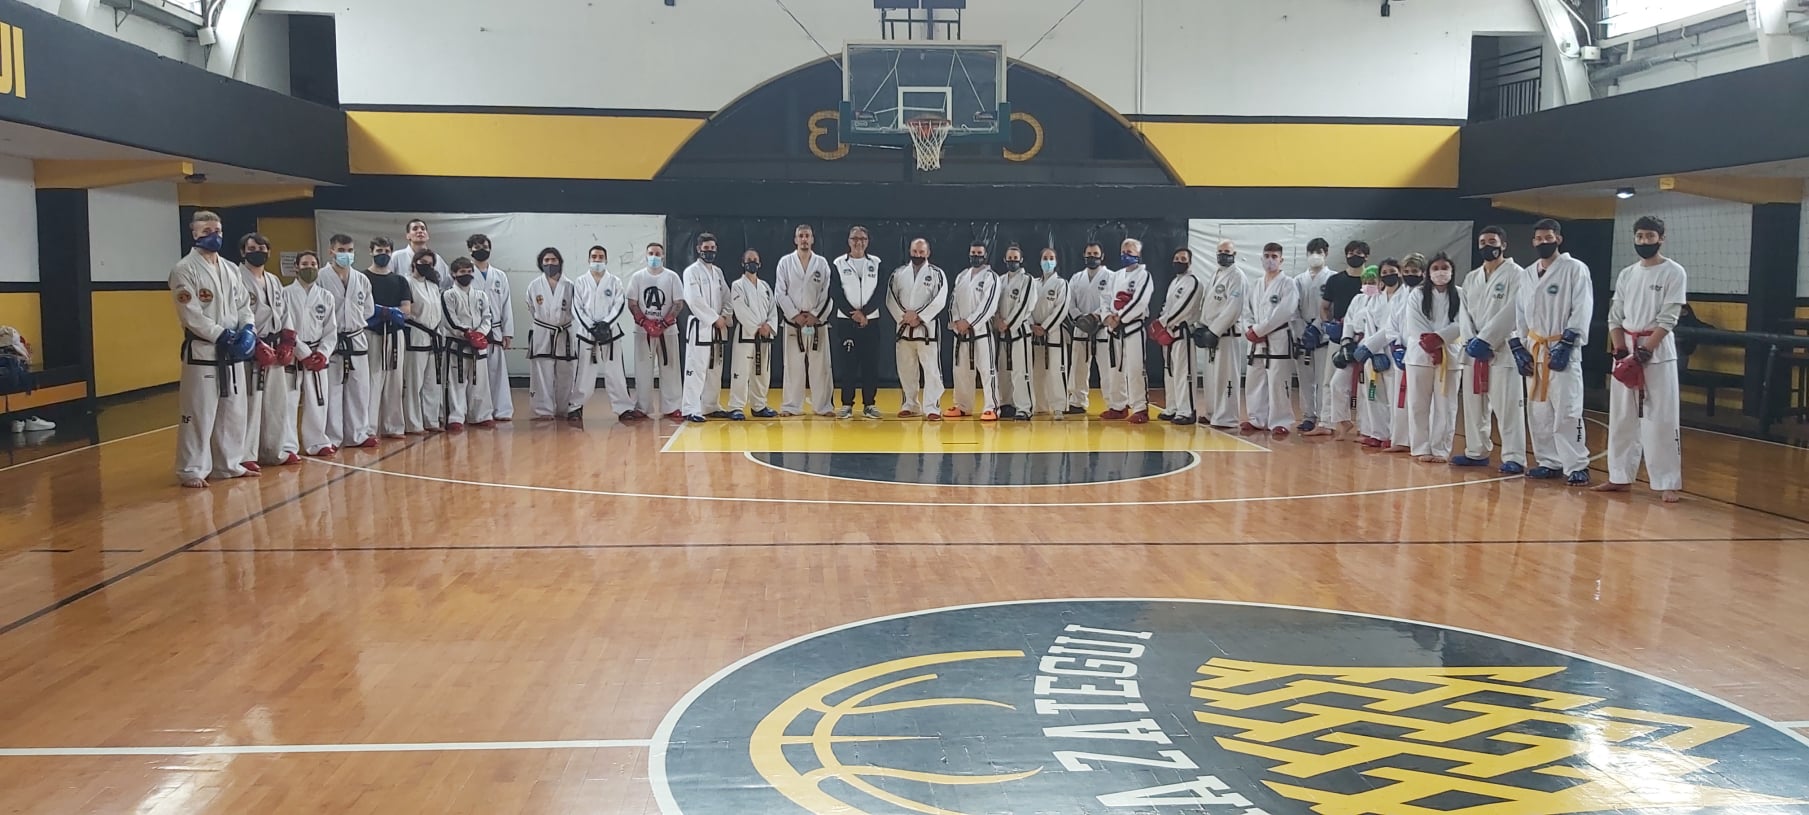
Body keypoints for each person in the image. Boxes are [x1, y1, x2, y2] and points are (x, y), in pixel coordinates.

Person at [1595, 215, 1686, 503]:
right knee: (1622, 416)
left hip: (1656, 353)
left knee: (1661, 417)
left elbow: (1669, 317)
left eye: (1649, 236)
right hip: (1626, 349)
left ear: (1661, 238)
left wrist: (1645, 351)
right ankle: (1619, 476)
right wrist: (1621, 350)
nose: (1644, 241)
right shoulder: (1627, 274)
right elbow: (1615, 316)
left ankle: (1667, 481)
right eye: (1640, 236)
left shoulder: (1674, 272)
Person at [168, 210, 256, 488]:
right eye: (206, 231)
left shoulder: (230, 268)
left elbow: (244, 305)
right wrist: (221, 335)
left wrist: (248, 329)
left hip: (233, 352)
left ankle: (228, 464)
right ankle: (191, 469)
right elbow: (190, 314)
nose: (213, 236)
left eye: (217, 230)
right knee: (199, 414)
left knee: (234, 412)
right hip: (204, 351)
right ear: (194, 233)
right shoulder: (184, 269)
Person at [1512, 218, 1594, 485]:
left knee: (1567, 409)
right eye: (1539, 239)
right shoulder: (1527, 274)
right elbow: (1520, 312)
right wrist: (1519, 345)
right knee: (1539, 410)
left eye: (1548, 238)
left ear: (1558, 239)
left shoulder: (1574, 268)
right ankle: (1549, 461)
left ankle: (1577, 464)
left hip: (1562, 347)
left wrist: (1569, 342)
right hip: (1535, 347)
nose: (1543, 242)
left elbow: (1582, 306)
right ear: (1533, 242)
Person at [1454, 226, 1527, 472]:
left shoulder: (1517, 274)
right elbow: (1464, 312)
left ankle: (1514, 457)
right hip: (1474, 351)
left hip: (1501, 349)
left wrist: (1487, 339)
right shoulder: (1471, 277)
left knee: (1507, 407)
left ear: (1503, 245)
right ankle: (1476, 451)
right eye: (1483, 242)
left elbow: (1514, 310)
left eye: (1492, 241)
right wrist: (1471, 340)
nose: (1487, 245)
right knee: (1473, 405)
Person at [236, 232, 298, 468]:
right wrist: (254, 344)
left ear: (269, 252)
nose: (258, 252)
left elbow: (285, 313)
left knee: (276, 404)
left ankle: (274, 451)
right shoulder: (236, 278)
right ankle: (246, 455)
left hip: (275, 347)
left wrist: (288, 340)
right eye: (252, 248)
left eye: (262, 248)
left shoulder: (273, 280)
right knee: (250, 405)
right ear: (243, 252)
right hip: (250, 347)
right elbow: (235, 315)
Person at [319, 234, 382, 450]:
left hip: (356, 337)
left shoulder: (361, 279)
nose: (346, 254)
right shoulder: (321, 277)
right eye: (341, 250)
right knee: (333, 390)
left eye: (349, 250)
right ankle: (333, 437)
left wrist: (354, 322)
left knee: (359, 389)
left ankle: (358, 434)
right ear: (331, 251)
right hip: (332, 339)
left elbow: (368, 309)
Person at [1307, 240, 1370, 437]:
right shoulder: (1335, 280)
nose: (1354, 256)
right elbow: (1325, 307)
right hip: (1339, 335)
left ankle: (1365, 427)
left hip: (1364, 336)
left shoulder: (1371, 281)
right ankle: (1327, 422)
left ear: (1366, 256)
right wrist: (1328, 325)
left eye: (1358, 253)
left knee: (1365, 383)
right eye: (1350, 252)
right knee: (1330, 380)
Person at [1404, 253, 1464, 463]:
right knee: (1418, 404)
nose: (1440, 272)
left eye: (1444, 268)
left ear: (1452, 271)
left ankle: (1441, 449)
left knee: (1446, 405)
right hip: (1419, 355)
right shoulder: (1418, 294)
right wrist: (1430, 344)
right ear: (1428, 273)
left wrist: (1440, 339)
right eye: (1435, 268)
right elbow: (1414, 323)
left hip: (1450, 355)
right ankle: (1420, 447)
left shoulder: (1461, 294)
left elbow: (1462, 323)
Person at [571, 245, 637, 422]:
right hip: (587, 333)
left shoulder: (615, 281)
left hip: (610, 332)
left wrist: (606, 324)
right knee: (583, 372)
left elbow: (619, 305)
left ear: (606, 260)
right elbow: (576, 308)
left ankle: (624, 407)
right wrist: (591, 327)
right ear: (588, 259)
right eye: (594, 257)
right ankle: (575, 406)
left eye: (601, 257)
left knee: (616, 372)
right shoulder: (580, 282)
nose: (597, 260)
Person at [775, 224, 835, 416]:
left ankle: (823, 406)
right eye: (800, 236)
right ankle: (791, 406)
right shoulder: (785, 262)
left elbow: (827, 292)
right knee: (793, 366)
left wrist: (815, 315)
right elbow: (780, 293)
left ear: (812, 239)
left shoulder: (821, 263)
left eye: (807, 236)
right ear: (795, 239)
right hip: (793, 322)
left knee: (821, 367)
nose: (804, 239)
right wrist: (795, 315)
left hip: (817, 322)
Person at [1242, 242, 1299, 435]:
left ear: (1281, 260)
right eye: (1267, 256)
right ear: (1261, 259)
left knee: (1278, 382)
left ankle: (1281, 421)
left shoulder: (1288, 283)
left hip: (1277, 338)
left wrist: (1259, 330)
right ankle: (1257, 419)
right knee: (1255, 380)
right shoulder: (1256, 284)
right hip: (1256, 342)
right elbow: (1246, 310)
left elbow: (1284, 312)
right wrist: (1249, 328)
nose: (1270, 260)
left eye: (1274, 256)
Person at [830, 226, 887, 419]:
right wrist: (853, 314)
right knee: (848, 365)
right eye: (854, 238)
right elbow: (835, 292)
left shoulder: (876, 263)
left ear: (867, 241)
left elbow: (881, 291)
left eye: (862, 238)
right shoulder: (839, 263)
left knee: (870, 364)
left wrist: (865, 313)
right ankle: (846, 404)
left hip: (871, 321)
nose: (858, 242)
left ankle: (869, 404)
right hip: (847, 322)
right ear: (848, 241)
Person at [285, 251, 338, 457]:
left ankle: (317, 441)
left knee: (318, 400)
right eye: (305, 264)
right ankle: (288, 446)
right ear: (296, 267)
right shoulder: (285, 294)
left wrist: (323, 353)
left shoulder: (326, 296)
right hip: (293, 353)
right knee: (289, 402)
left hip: (317, 353)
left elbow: (331, 330)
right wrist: (302, 353)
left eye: (313, 264)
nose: (310, 268)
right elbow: (285, 326)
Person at [888, 238, 947, 420]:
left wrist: (919, 316)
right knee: (906, 369)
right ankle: (910, 404)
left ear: (928, 253)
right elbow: (890, 298)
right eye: (915, 251)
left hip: (926, 330)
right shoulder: (898, 274)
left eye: (921, 252)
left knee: (931, 370)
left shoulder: (937, 274)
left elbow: (939, 299)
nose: (918, 255)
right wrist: (905, 316)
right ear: (910, 251)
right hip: (904, 328)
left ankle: (932, 407)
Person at [628, 242, 684, 420]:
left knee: (670, 369)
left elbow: (678, 303)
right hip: (643, 331)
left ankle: (672, 406)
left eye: (657, 254)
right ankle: (642, 407)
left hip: (668, 331)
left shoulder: (672, 277)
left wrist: (664, 323)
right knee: (642, 370)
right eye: (651, 253)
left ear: (663, 256)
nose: (654, 257)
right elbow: (632, 303)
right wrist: (645, 322)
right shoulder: (637, 277)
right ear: (646, 256)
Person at [1197, 240, 1247, 429]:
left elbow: (1233, 308)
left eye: (1227, 252)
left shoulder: (1237, 276)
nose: (1223, 255)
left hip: (1226, 334)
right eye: (1220, 251)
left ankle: (1227, 417)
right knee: (1211, 377)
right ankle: (1212, 412)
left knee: (1226, 376)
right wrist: (1202, 326)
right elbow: (1208, 304)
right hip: (1211, 332)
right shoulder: (1216, 273)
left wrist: (1215, 330)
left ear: (1234, 254)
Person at [949, 241, 1002, 420]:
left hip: (981, 331)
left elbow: (989, 306)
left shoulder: (991, 277)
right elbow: (953, 301)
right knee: (961, 371)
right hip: (961, 332)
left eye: (979, 254)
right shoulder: (962, 276)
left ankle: (992, 407)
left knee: (987, 370)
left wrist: (970, 322)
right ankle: (962, 406)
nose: (976, 256)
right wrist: (957, 321)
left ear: (985, 256)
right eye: (973, 253)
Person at [525, 247, 580, 420]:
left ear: (560, 262)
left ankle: (565, 408)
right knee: (542, 372)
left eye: (553, 260)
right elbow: (531, 307)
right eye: (546, 260)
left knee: (566, 372)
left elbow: (575, 310)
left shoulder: (570, 285)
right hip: (542, 331)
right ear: (541, 264)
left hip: (564, 332)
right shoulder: (534, 286)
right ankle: (543, 410)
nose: (550, 263)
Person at [1102, 238, 1153, 423]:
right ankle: (1118, 406)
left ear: (1138, 255)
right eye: (1123, 252)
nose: (1125, 255)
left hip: (1133, 327)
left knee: (1135, 369)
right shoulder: (1116, 276)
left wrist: (1120, 317)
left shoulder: (1144, 275)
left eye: (1130, 252)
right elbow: (1105, 298)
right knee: (1114, 370)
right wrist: (1107, 316)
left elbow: (1140, 301)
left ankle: (1140, 408)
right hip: (1114, 329)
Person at [364, 236, 410, 439]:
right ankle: (369, 428)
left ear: (391, 253)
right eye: (379, 251)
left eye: (386, 251)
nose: (383, 254)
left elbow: (406, 309)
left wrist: (391, 312)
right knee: (372, 380)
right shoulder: (362, 278)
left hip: (394, 334)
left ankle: (393, 426)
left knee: (395, 380)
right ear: (371, 252)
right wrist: (378, 312)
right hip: (371, 333)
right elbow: (360, 306)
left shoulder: (400, 280)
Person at [681, 233, 731, 422]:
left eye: (712, 248)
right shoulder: (691, 271)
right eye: (706, 248)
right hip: (701, 326)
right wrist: (714, 318)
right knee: (696, 368)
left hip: (718, 327)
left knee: (715, 368)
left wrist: (725, 315)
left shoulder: (717, 272)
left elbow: (726, 296)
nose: (709, 251)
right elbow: (694, 300)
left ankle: (710, 405)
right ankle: (691, 408)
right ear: (698, 249)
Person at [1356, 260, 1405, 449]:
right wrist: (1372, 350)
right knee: (1374, 394)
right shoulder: (1376, 298)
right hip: (1374, 353)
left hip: (1393, 351)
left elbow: (1392, 328)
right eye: (1384, 272)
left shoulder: (1405, 296)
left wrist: (1371, 345)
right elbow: (1369, 325)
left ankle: (1394, 435)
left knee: (1394, 396)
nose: (1388, 275)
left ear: (1399, 273)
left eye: (1392, 271)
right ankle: (1377, 433)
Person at [441, 256, 494, 431]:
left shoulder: (481, 295)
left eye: (469, 271)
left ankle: (481, 415)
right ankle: (455, 416)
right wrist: (467, 333)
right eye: (462, 271)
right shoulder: (448, 295)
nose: (467, 274)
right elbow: (450, 320)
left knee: (480, 382)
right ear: (453, 274)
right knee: (456, 381)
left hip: (478, 343)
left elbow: (487, 318)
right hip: (458, 343)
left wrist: (480, 334)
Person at [728, 248, 780, 420]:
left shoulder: (765, 287)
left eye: (755, 260)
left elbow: (773, 309)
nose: (752, 263)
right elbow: (740, 309)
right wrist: (757, 327)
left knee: (762, 372)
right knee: (741, 372)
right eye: (749, 260)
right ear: (743, 263)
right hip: (746, 334)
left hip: (764, 336)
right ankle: (736, 406)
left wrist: (769, 326)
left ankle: (759, 405)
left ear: (760, 263)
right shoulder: (737, 285)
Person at [467, 233, 514, 421]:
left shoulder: (499, 275)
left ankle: (502, 410)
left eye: (485, 247)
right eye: (477, 247)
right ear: (470, 250)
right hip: (473, 330)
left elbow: (506, 304)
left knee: (497, 372)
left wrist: (508, 332)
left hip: (495, 329)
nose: (481, 250)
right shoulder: (466, 273)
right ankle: (478, 412)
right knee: (477, 373)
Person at [1331, 266, 1379, 443]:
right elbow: (1349, 322)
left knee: (1366, 389)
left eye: (1372, 281)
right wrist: (1346, 343)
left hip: (1372, 346)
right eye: (1366, 281)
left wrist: (1367, 347)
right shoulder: (1358, 299)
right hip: (1353, 344)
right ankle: (1343, 422)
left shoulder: (1382, 300)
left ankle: (1365, 429)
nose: (1369, 284)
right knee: (1336, 383)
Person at [1155, 247, 1203, 425]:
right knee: (1170, 371)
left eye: (1183, 259)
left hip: (1182, 331)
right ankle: (1172, 407)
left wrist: (1163, 322)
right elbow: (1167, 306)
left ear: (1190, 262)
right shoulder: (1174, 282)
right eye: (1176, 258)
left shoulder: (1193, 282)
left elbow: (1184, 307)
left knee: (1184, 373)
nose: (1179, 262)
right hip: (1169, 332)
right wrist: (1162, 322)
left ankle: (1187, 411)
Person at [1293, 238, 1336, 432]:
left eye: (1319, 252)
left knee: (1323, 380)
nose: (1315, 256)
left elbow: (1331, 307)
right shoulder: (1298, 280)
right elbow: (1293, 309)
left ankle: (1323, 417)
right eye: (1311, 252)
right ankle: (1308, 415)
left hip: (1324, 335)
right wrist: (1302, 332)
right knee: (1305, 380)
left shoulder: (1332, 278)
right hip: (1303, 335)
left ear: (1326, 253)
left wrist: (1317, 327)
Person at [1065, 243, 1113, 414]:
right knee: (1078, 366)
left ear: (1102, 256)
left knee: (1107, 369)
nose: (1092, 257)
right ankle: (1077, 401)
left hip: (1103, 327)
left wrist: (1096, 316)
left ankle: (1113, 403)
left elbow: (1112, 301)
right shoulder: (1077, 278)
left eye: (1095, 254)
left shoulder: (1111, 277)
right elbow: (1069, 301)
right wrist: (1080, 318)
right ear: (1084, 256)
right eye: (1089, 254)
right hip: (1081, 327)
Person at [402, 249, 446, 434]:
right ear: (414, 263)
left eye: (430, 263)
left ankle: (431, 420)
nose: (426, 266)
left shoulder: (433, 286)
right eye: (423, 262)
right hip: (416, 334)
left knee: (432, 382)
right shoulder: (406, 282)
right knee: (414, 383)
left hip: (434, 336)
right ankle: (413, 423)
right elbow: (406, 311)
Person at [992, 244, 1035, 420]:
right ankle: (1006, 403)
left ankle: (1024, 408)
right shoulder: (1000, 280)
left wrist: (1008, 323)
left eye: (1015, 259)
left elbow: (1024, 305)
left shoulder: (1027, 280)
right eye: (1009, 259)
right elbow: (994, 304)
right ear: (1004, 260)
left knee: (1020, 371)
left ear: (1021, 260)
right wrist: (997, 320)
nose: (1012, 261)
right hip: (1002, 333)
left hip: (1019, 332)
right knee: (1003, 371)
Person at [1028, 248, 1069, 421]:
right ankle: (1040, 405)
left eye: (1051, 258)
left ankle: (1059, 407)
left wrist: (1045, 327)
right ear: (1040, 261)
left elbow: (1062, 308)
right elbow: (1027, 305)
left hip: (1054, 333)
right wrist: (1032, 325)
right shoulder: (1033, 283)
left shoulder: (1061, 283)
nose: (1048, 261)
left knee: (1056, 370)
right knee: (1036, 371)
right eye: (1045, 258)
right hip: (1034, 333)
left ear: (1056, 261)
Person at [392, 218, 450, 289]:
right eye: (415, 229)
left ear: (427, 235)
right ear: (408, 236)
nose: (420, 231)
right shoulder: (397, 256)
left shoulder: (437, 258)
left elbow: (446, 283)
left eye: (423, 229)